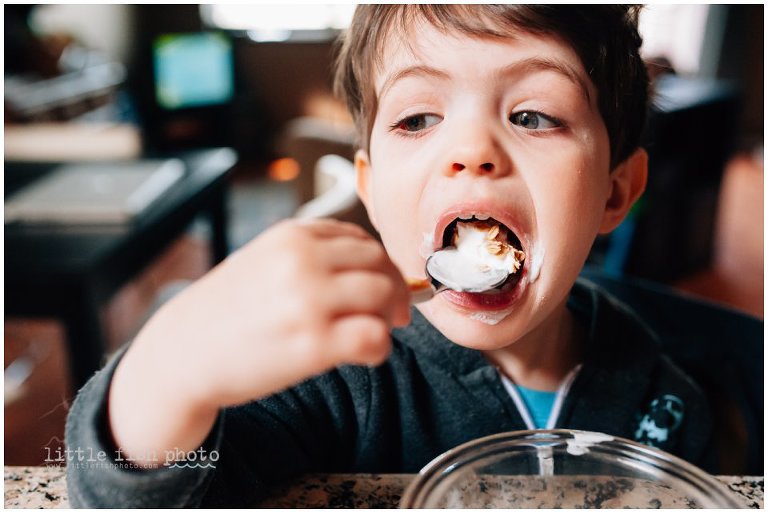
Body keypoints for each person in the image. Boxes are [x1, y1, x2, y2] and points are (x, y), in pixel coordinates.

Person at [65, 5, 715, 507]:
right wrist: (175, 365)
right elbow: (131, 494)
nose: (472, 149)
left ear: (615, 190)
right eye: (417, 119)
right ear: (371, 191)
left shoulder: (659, 392)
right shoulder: (338, 378)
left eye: (534, 115)